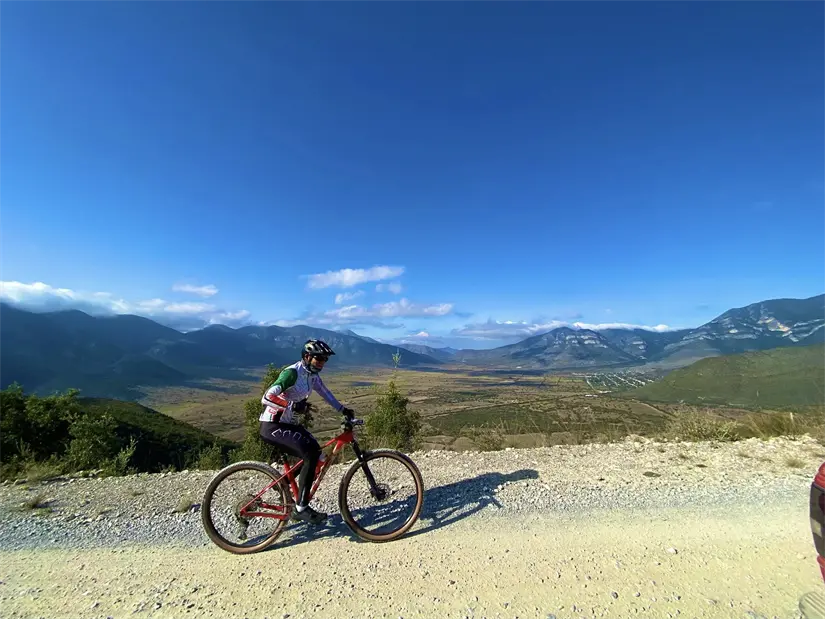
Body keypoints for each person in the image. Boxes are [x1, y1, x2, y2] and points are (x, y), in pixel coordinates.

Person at [258, 339, 354, 524]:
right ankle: (301, 508)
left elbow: (325, 393)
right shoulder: (292, 373)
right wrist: (292, 405)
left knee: (316, 453)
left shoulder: (312, 376)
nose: (322, 363)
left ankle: (284, 485)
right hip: (273, 426)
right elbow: (267, 397)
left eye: (325, 359)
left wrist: (343, 409)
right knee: (310, 454)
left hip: (288, 425)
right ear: (307, 356)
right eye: (319, 358)